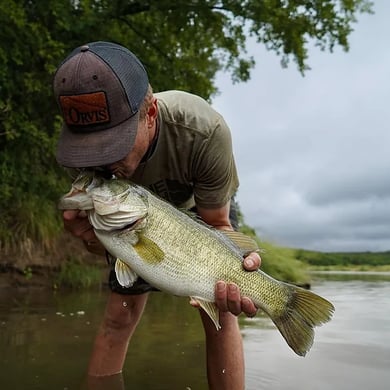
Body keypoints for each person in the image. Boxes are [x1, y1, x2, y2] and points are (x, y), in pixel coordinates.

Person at [53, 41, 261, 389]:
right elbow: (108, 244)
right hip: (131, 218)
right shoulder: (84, 160)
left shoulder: (204, 131)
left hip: (200, 209)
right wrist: (93, 241)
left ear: (150, 114)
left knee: (220, 316)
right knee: (120, 313)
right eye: (90, 147)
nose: (102, 160)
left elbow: (217, 222)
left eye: (113, 142)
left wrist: (238, 265)